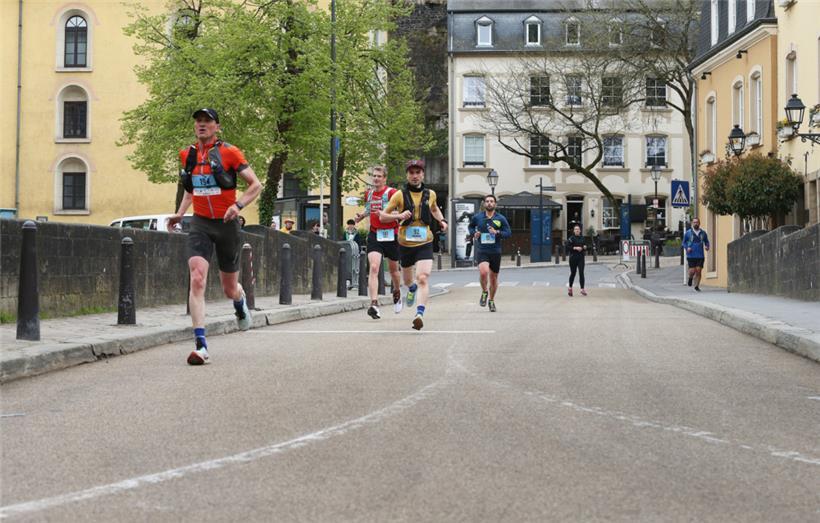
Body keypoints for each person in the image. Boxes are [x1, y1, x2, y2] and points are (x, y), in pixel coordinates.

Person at [168, 108, 262, 365]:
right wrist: (179, 214)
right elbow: (190, 191)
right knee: (197, 278)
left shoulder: (230, 153)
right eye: (198, 121)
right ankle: (201, 345)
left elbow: (255, 184)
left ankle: (240, 302)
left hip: (227, 225)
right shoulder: (186, 155)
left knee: (229, 288)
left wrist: (238, 206)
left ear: (217, 127)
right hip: (200, 224)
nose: (202, 125)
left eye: (207, 121)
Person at [380, 159, 448, 330]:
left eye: (418, 172)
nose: (415, 176)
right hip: (405, 243)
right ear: (407, 175)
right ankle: (411, 289)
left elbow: (433, 209)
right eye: (412, 173)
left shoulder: (430, 194)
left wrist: (442, 220)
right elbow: (382, 216)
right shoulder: (399, 195)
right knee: (408, 281)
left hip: (425, 241)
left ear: (423, 174)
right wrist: (399, 216)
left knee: (423, 277)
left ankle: (419, 314)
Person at [354, 166, 403, 319]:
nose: (376, 178)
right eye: (374, 176)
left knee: (394, 270)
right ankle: (374, 304)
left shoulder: (392, 193)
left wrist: (394, 214)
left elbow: (402, 211)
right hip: (375, 234)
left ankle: (396, 291)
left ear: (384, 178)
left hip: (391, 235)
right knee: (374, 267)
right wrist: (361, 216)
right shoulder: (369, 194)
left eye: (379, 176)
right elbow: (369, 209)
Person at [468, 194, 511, 312]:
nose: (489, 203)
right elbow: (471, 227)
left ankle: (491, 300)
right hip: (482, 250)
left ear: (495, 204)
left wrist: (497, 232)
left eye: (492, 201)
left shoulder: (500, 218)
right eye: (487, 201)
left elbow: (508, 233)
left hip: (495, 251)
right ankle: (484, 291)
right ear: (484, 204)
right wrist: (474, 233)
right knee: (483, 272)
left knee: (493, 279)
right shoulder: (478, 217)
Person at [683, 217, 710, 291]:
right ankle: (690, 278)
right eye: (694, 222)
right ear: (692, 223)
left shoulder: (703, 233)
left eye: (697, 222)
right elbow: (684, 243)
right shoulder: (688, 233)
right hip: (691, 255)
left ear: (699, 223)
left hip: (700, 255)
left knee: (698, 270)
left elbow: (706, 241)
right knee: (692, 271)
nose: (695, 223)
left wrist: (707, 246)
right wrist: (687, 248)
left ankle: (696, 286)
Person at [566, 224, 587, 297]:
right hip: (573, 257)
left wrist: (584, 247)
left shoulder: (582, 238)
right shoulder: (571, 238)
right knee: (573, 273)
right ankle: (570, 288)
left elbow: (585, 246)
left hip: (581, 257)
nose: (577, 230)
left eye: (578, 229)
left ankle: (582, 289)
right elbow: (567, 247)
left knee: (581, 272)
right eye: (576, 229)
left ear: (580, 230)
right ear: (574, 231)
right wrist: (575, 248)